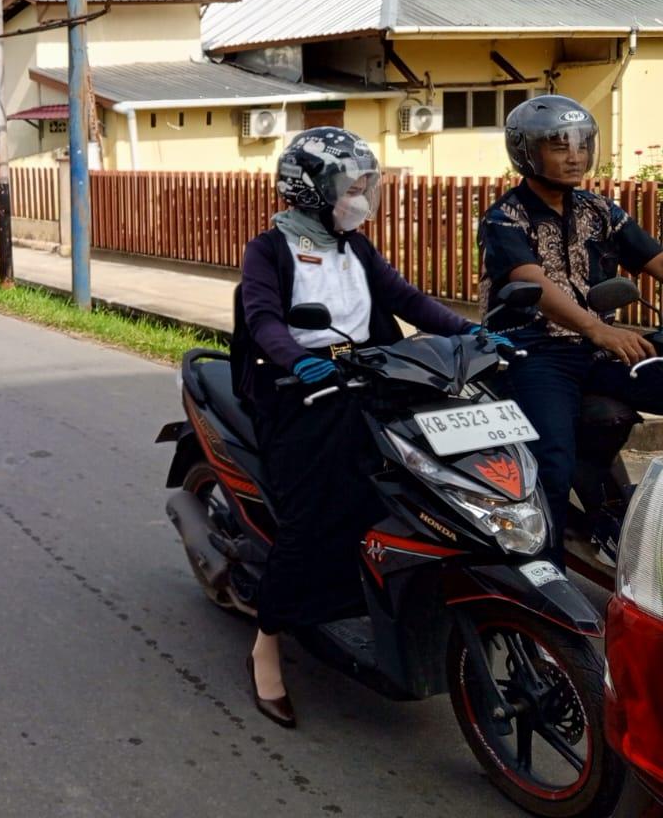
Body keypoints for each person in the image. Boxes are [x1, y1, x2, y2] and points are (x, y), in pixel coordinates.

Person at [234, 128, 492, 728]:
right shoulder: (268, 249)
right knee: (311, 517)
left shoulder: (357, 247)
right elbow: (264, 319)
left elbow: (408, 300)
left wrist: (468, 333)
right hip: (299, 392)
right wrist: (297, 359)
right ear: (311, 190)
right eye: (349, 186)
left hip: (366, 379)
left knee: (412, 481)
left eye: (363, 185)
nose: (360, 196)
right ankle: (267, 642)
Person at [480, 96, 663, 563]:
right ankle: (544, 573)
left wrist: (601, 336)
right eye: (558, 146)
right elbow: (532, 282)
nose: (575, 155)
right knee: (552, 465)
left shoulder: (600, 210)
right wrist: (596, 330)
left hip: (600, 350)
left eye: (581, 144)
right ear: (525, 152)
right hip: (533, 353)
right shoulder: (505, 217)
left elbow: (654, 258)